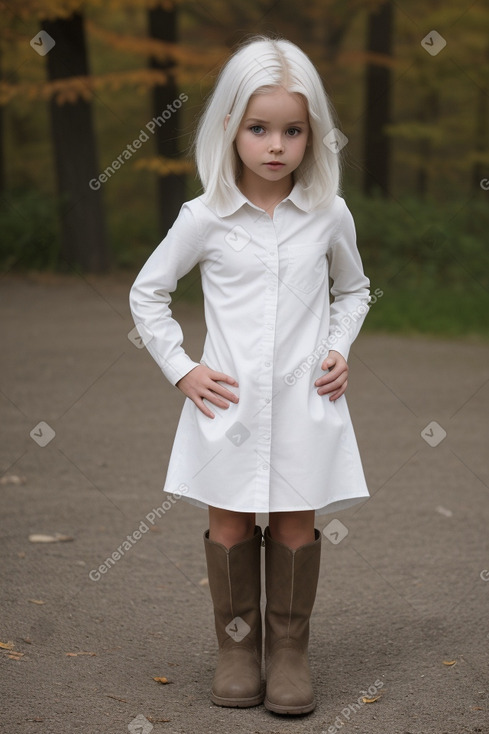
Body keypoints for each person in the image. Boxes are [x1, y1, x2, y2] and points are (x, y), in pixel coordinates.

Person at [129, 35, 371, 716]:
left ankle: (289, 652)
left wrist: (336, 346)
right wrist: (182, 370)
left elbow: (354, 290)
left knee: (295, 526)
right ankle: (237, 648)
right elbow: (146, 294)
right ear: (229, 129)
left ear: (312, 136)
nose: (275, 145)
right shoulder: (202, 218)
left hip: (304, 402)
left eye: (292, 131)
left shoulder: (327, 215)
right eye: (258, 128)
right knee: (230, 526)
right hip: (226, 408)